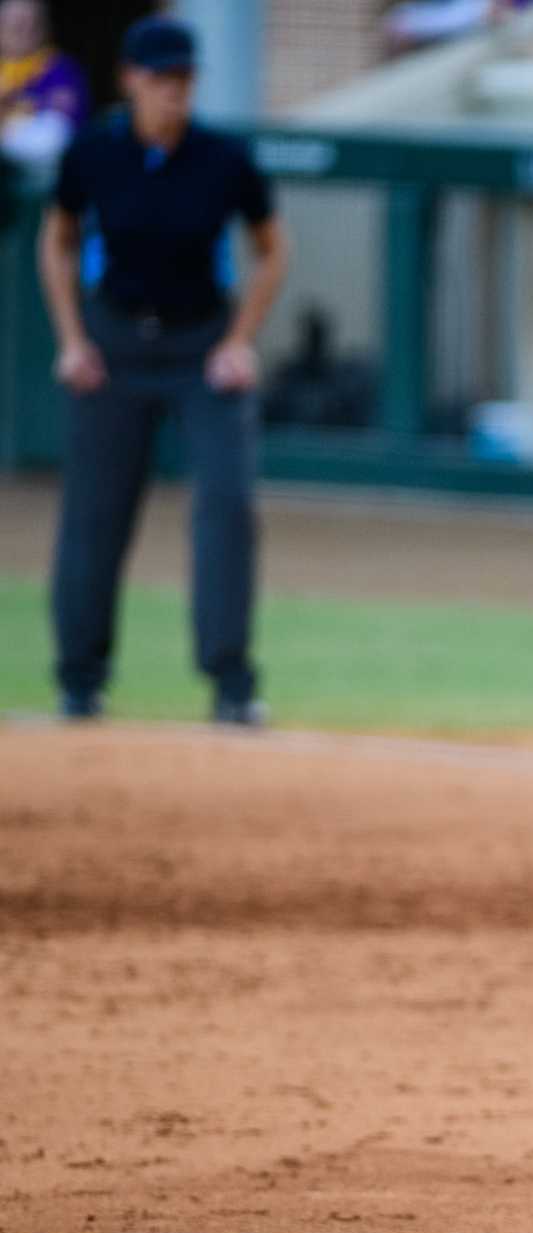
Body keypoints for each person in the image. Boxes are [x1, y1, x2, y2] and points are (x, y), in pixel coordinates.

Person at [38, 15, 290, 725]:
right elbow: (55, 238)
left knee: (228, 505)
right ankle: (80, 681)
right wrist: (70, 337)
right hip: (114, 343)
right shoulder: (93, 153)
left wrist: (241, 339)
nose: (174, 92)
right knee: (94, 513)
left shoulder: (223, 158)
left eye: (184, 79)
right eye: (160, 78)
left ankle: (231, 683)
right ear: (131, 80)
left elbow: (273, 249)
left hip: (199, 344)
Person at [0, 0, 85, 172]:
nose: (24, 31)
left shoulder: (61, 69)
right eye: (16, 24)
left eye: (32, 24)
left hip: (36, 171)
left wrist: (18, 104)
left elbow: (67, 121)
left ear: (45, 29)